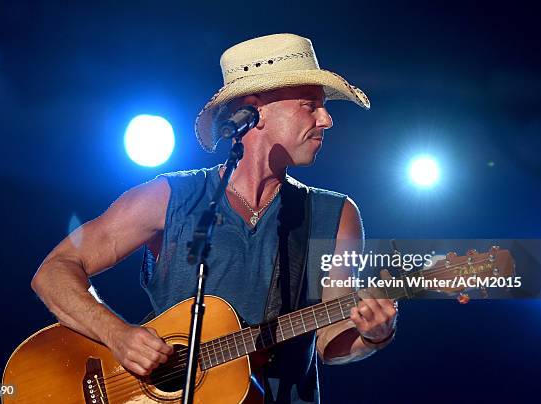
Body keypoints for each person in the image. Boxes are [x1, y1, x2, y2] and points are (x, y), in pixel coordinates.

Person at [31, 33, 397, 403]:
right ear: (256, 112)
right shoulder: (167, 197)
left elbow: (330, 339)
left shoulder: (336, 216)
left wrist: (373, 335)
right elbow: (54, 271)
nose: (327, 119)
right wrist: (117, 335)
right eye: (310, 105)